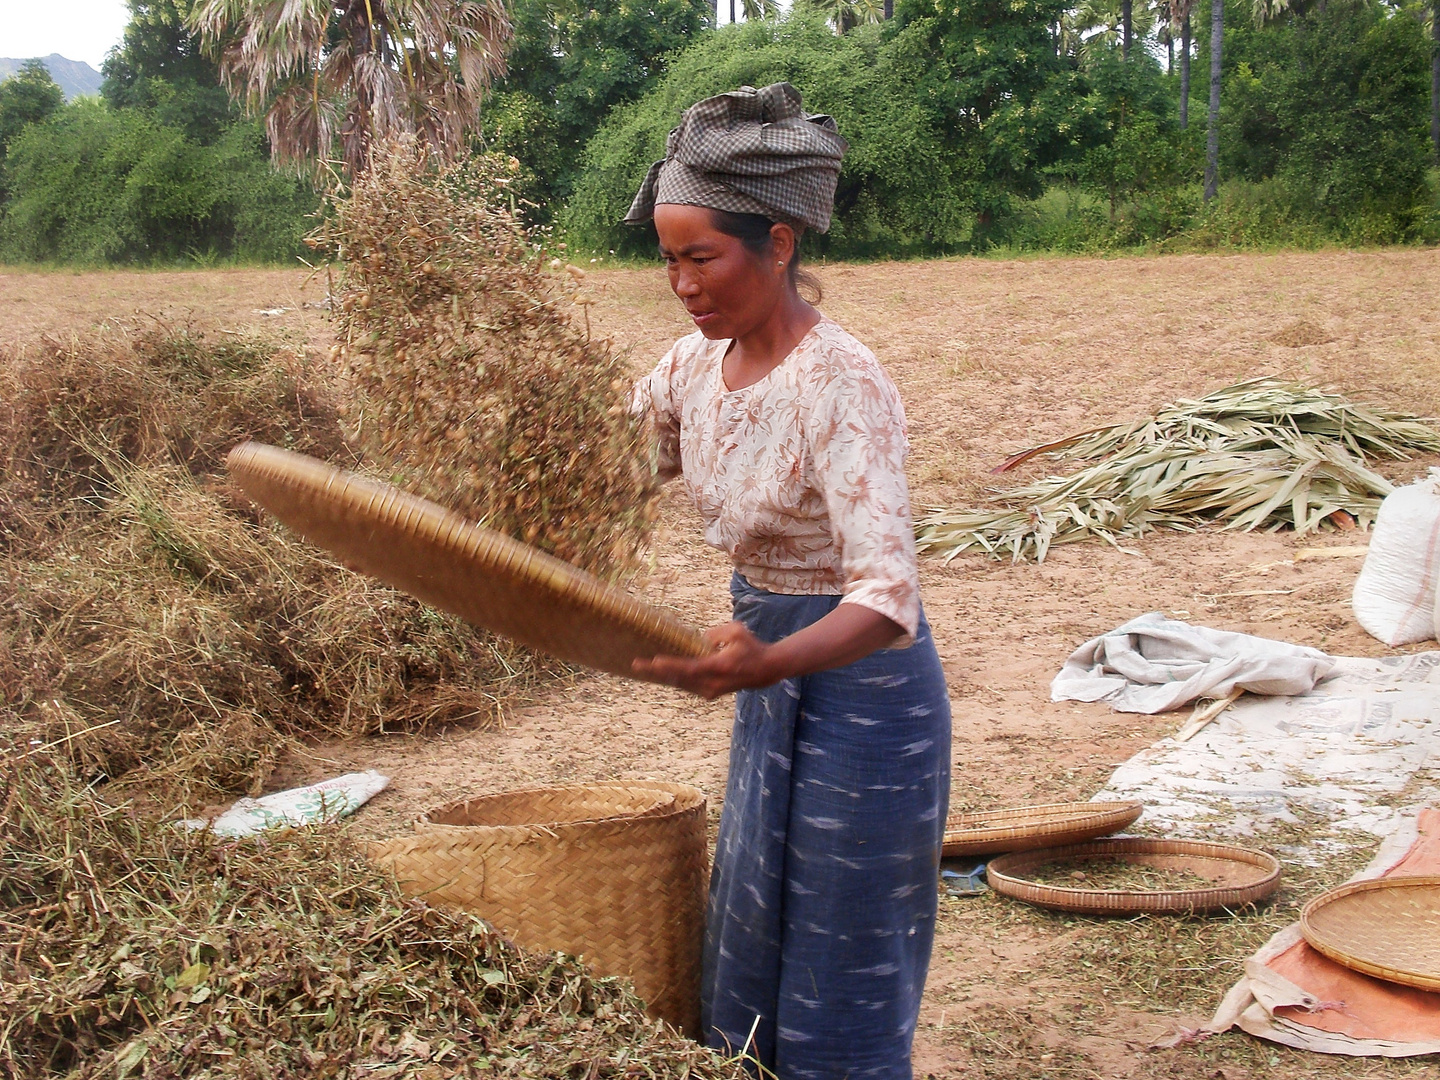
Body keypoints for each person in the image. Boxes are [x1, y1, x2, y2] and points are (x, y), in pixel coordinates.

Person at [627, 83, 951, 1080]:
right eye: (669, 258)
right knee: (756, 913)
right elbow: (609, 468)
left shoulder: (839, 384)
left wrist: (766, 660)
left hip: (862, 690)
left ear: (776, 242)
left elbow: (886, 599)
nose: (682, 282)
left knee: (842, 946)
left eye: (702, 256)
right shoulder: (691, 367)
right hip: (766, 671)